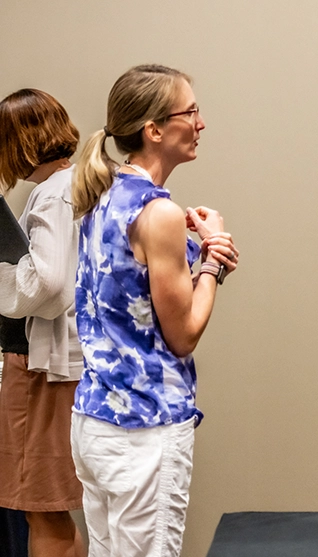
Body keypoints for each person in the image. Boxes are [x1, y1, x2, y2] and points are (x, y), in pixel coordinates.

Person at [70, 64, 239, 557]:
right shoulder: (159, 214)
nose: (201, 123)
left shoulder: (101, 194)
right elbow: (182, 334)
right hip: (143, 429)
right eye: (191, 111)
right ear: (154, 129)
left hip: (96, 422)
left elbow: (133, 309)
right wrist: (211, 263)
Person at [0, 88, 85, 557]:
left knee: (41, 506)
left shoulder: (51, 195)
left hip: (42, 371)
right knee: (54, 508)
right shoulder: (84, 185)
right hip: (66, 363)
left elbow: (48, 285)